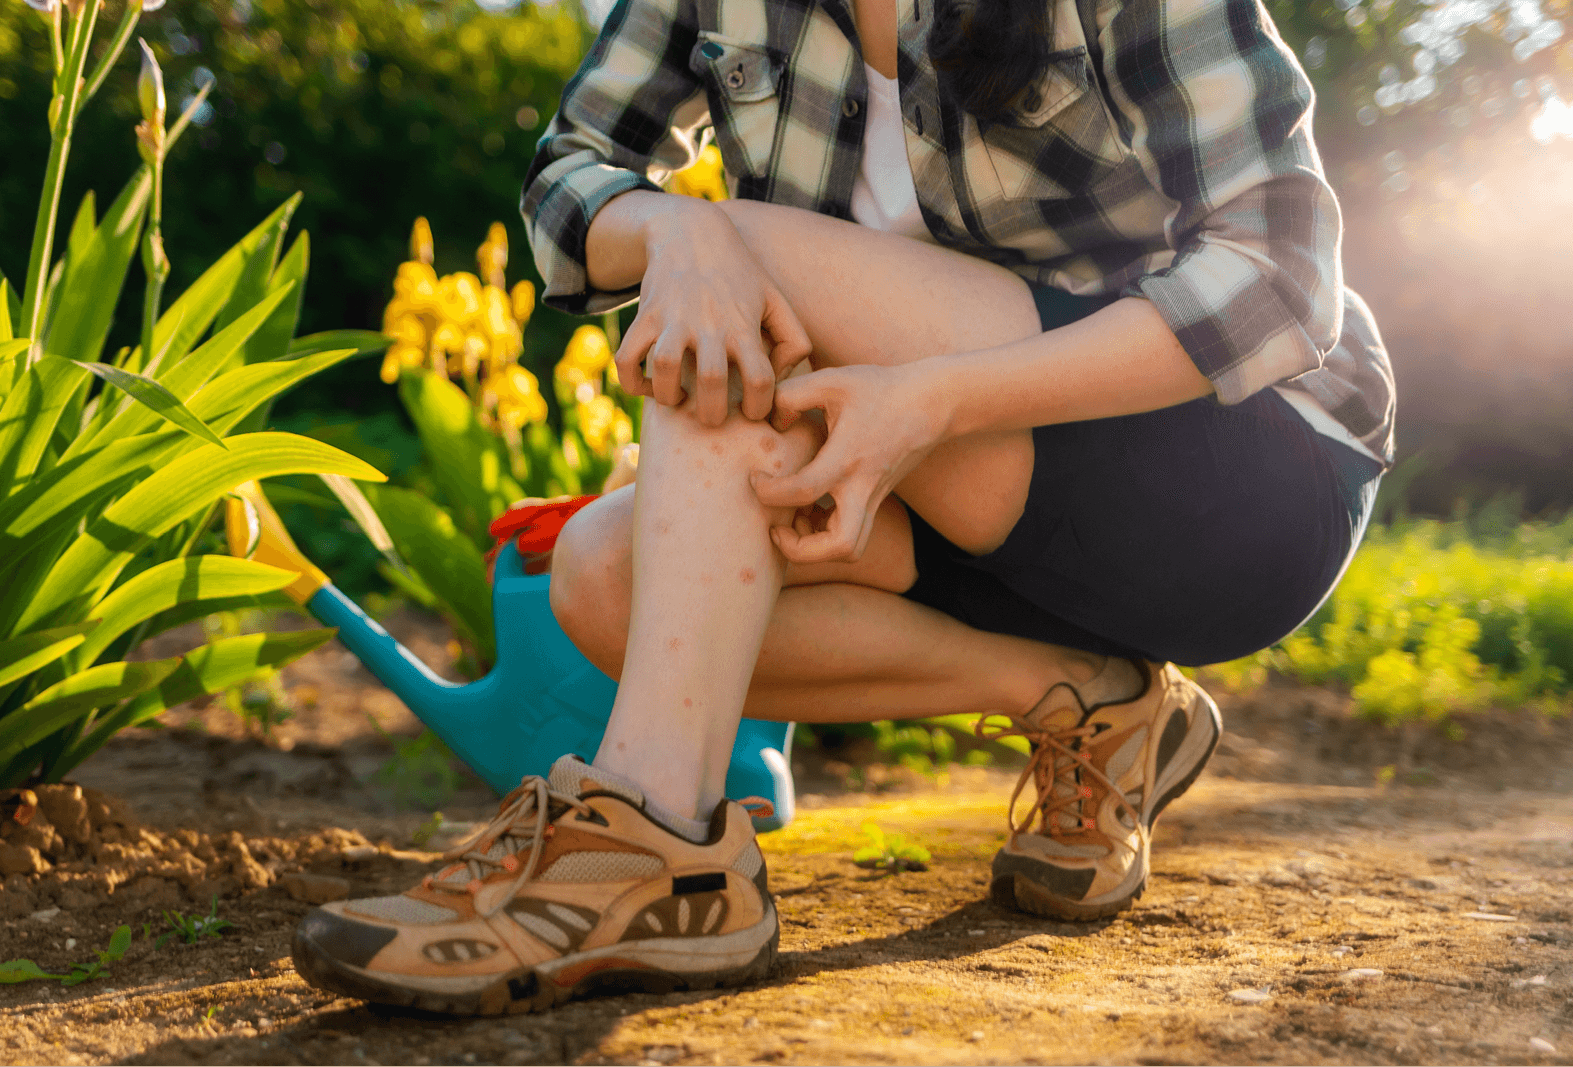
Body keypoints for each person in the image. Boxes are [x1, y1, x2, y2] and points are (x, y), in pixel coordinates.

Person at [290, 0, 1395, 1014]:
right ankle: (1093, 703)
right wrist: (678, 236)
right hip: (941, 476)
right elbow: (569, 174)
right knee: (599, 574)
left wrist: (936, 401)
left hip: (1241, 479)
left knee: (752, 254)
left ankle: (651, 832)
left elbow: (1278, 276)